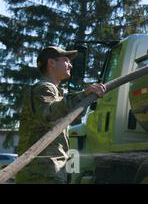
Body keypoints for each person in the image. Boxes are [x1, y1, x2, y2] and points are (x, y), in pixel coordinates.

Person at [16, 46, 106, 184]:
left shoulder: (54, 92)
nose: (70, 64)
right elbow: (49, 113)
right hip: (42, 172)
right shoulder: (43, 88)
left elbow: (68, 115)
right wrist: (83, 95)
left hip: (45, 170)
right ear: (51, 63)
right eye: (66, 60)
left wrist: (85, 97)